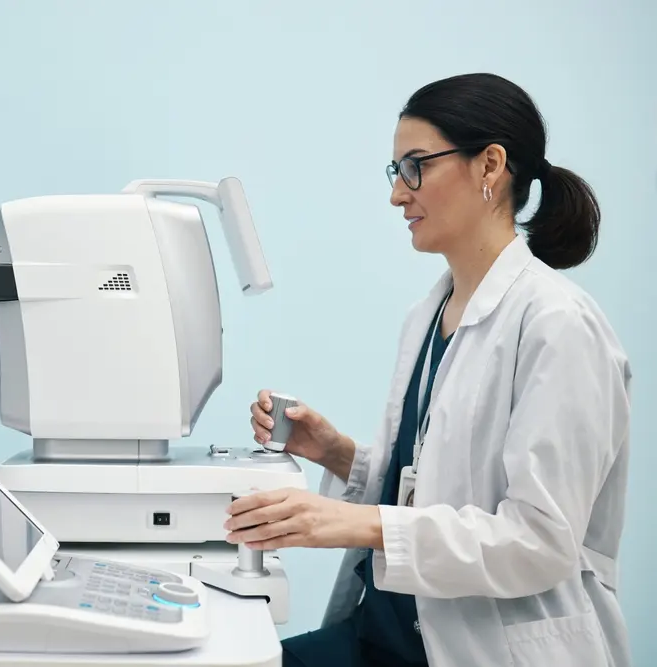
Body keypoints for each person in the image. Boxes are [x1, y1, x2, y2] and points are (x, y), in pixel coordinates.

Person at [225, 73, 631, 666]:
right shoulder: (429, 314)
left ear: (489, 166)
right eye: (397, 172)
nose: (398, 194)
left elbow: (541, 542)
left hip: (491, 647)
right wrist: (338, 452)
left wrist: (357, 524)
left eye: (416, 166)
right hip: (387, 630)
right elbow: (431, 486)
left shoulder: (558, 325)